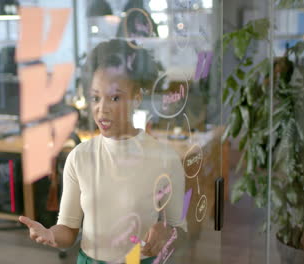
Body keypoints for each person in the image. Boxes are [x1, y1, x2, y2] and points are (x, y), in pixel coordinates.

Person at [19, 39, 186, 264]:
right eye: (96, 98)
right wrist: (51, 235)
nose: (102, 109)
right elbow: (68, 231)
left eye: (115, 98)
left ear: (137, 98)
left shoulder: (165, 158)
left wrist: (165, 230)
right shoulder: (79, 158)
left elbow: (180, 231)